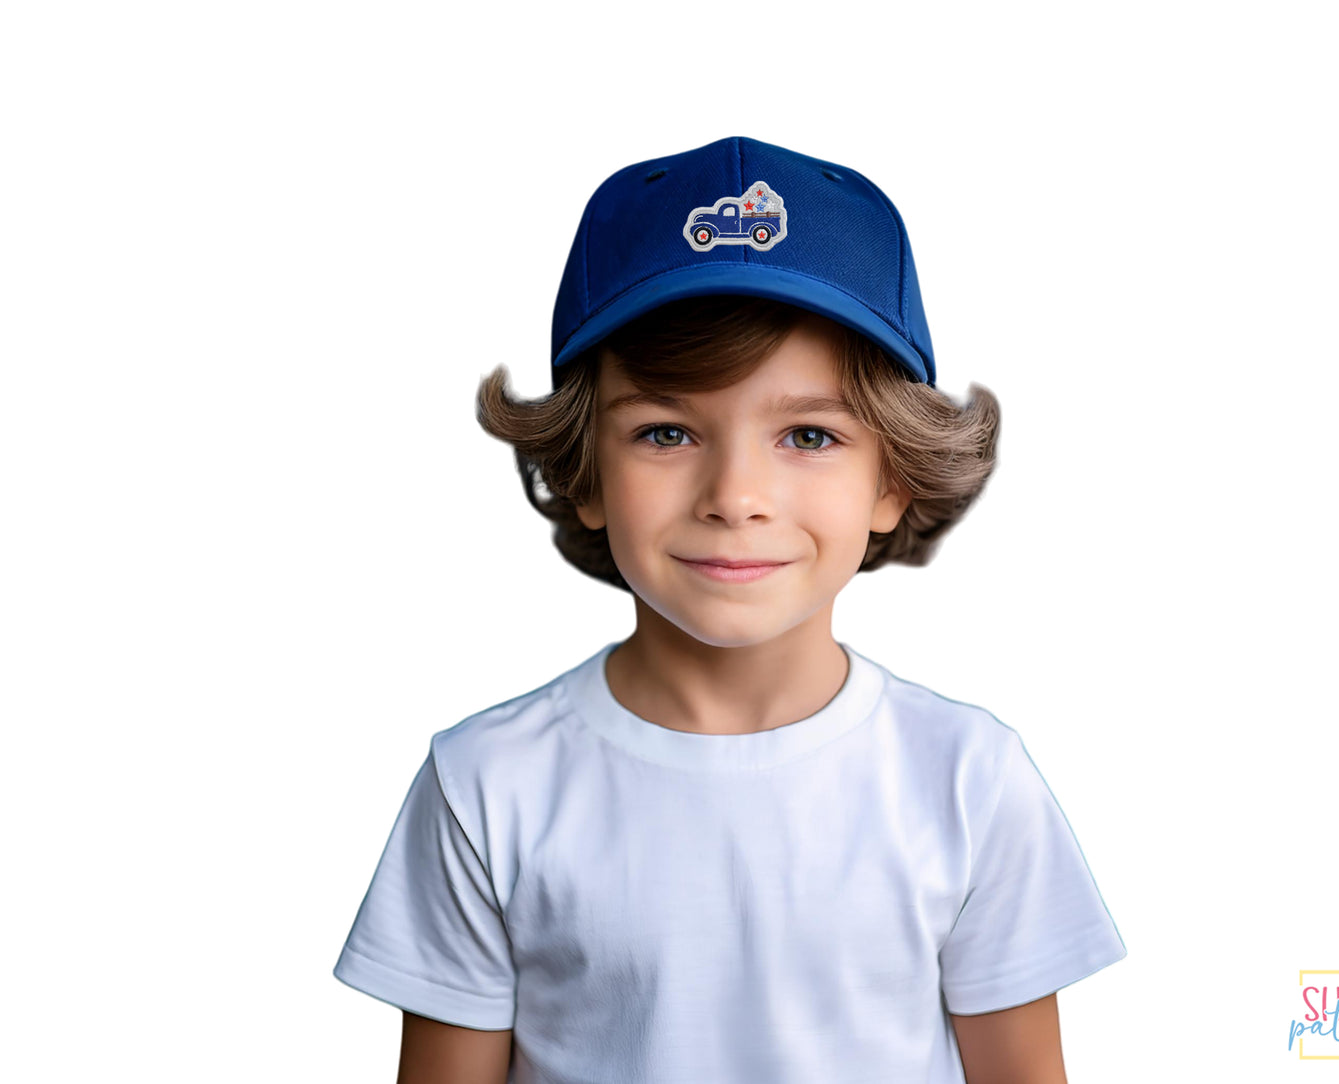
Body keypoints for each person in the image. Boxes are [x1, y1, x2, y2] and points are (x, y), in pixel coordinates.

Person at [333, 135, 1127, 1084]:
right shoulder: (485, 786)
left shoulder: (967, 782)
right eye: (665, 431)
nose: (735, 494)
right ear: (585, 472)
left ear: (893, 481)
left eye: (807, 434)